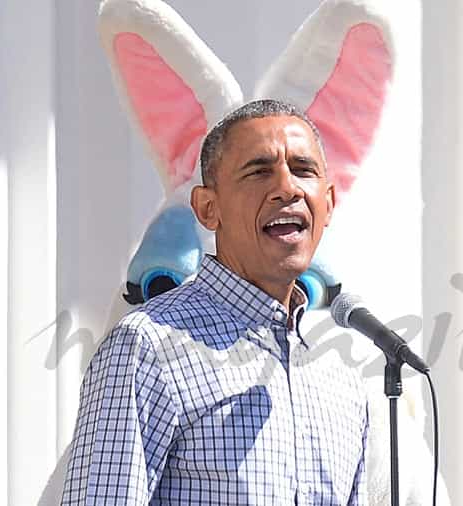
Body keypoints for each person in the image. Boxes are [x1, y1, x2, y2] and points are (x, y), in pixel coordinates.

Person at [61, 99, 368, 505]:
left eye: (303, 169)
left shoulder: (339, 375)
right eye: (259, 171)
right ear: (208, 208)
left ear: (327, 204)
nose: (287, 188)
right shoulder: (147, 347)